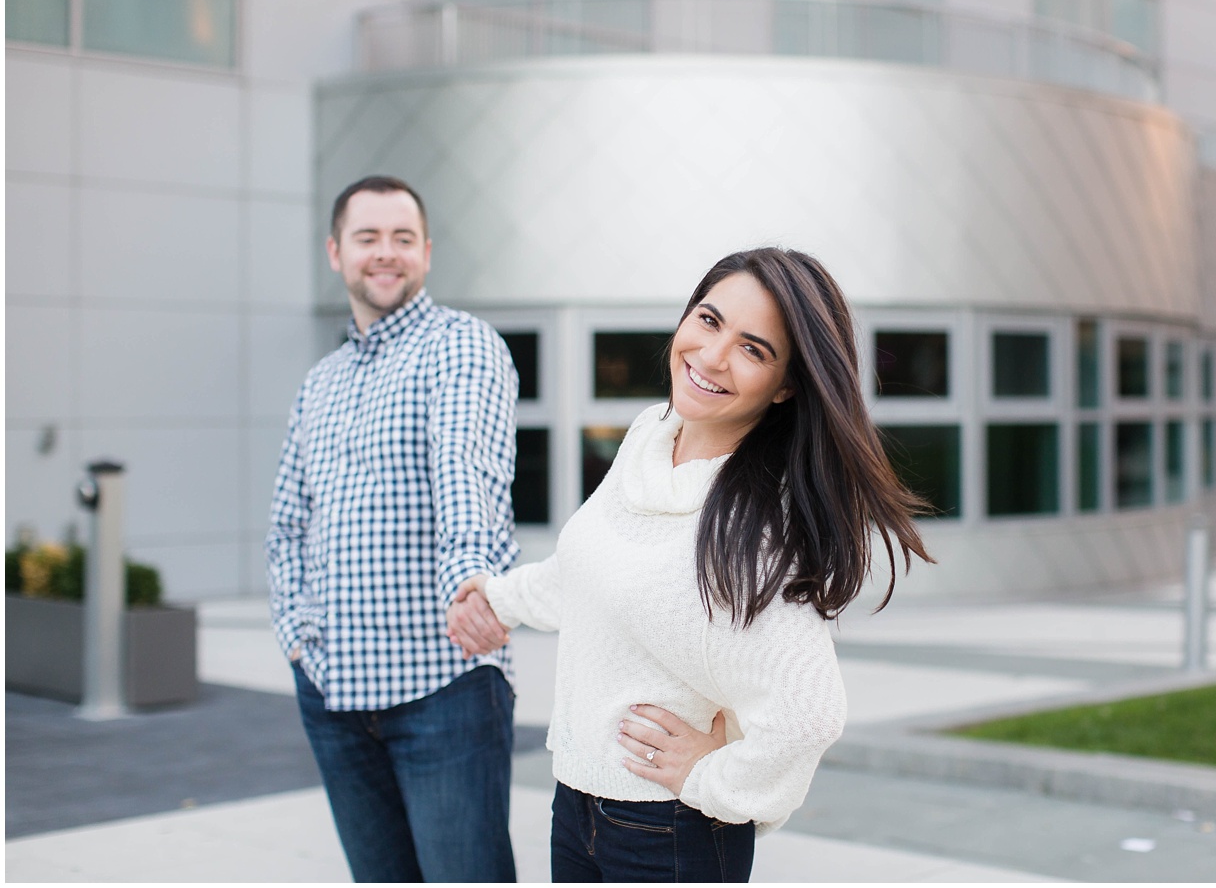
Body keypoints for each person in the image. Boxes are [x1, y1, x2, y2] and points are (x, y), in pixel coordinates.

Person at [449, 247, 934, 882]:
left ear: (786, 385)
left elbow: (808, 712)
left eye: (753, 349)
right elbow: (589, 572)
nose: (711, 356)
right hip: (576, 805)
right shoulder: (652, 433)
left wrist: (713, 775)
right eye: (708, 321)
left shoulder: (753, 522)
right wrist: (496, 599)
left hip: (670, 831)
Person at [266, 175, 521, 882]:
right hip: (334, 693)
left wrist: (471, 580)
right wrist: (296, 638)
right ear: (335, 251)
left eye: (402, 239)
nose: (386, 253)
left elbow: (465, 470)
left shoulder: (460, 346)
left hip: (442, 689)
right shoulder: (319, 382)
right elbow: (287, 524)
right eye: (368, 238)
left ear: (427, 252)